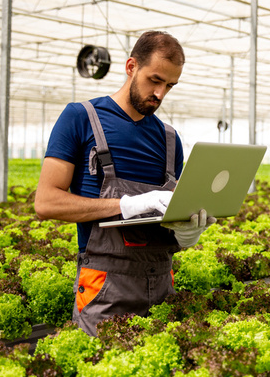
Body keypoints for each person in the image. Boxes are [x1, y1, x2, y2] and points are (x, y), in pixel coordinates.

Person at [34, 30, 214, 336]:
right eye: (154, 80)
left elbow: (167, 216)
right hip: (104, 288)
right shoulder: (81, 118)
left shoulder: (170, 139)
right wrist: (125, 205)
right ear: (131, 67)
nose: (160, 94)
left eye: (169, 86)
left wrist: (186, 234)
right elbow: (46, 202)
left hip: (162, 284)